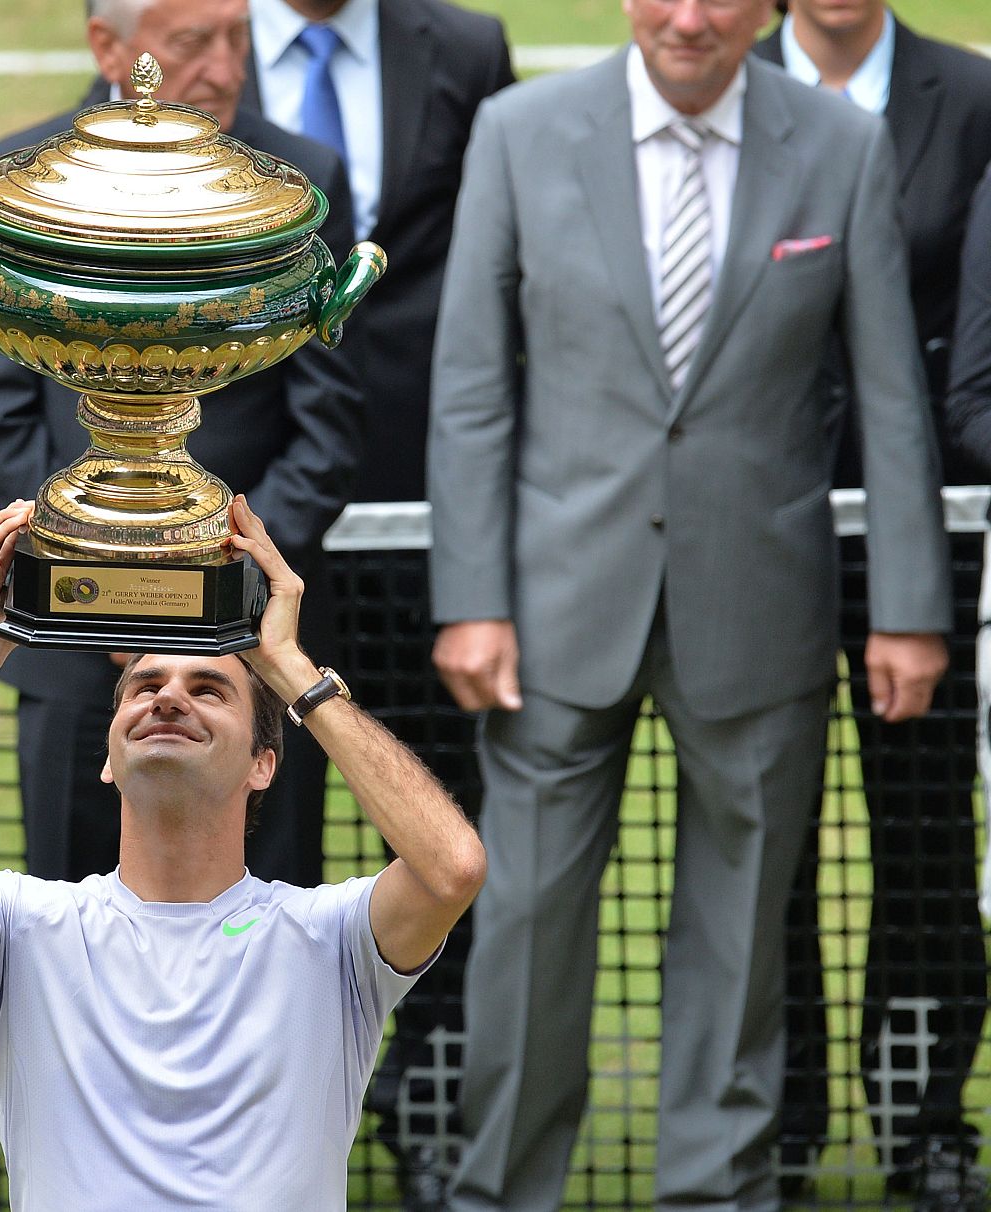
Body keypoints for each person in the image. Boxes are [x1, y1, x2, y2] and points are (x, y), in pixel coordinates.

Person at [425, 0, 953, 1205]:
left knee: (741, 934)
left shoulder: (838, 146)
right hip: (552, 613)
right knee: (524, 925)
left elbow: (889, 400)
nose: (690, 17)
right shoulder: (518, 130)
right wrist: (471, 597)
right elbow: (468, 391)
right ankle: (498, 1188)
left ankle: (716, 1189)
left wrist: (912, 607)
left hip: (760, 606)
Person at [0, 495, 487, 1210]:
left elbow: (452, 869)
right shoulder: (19, 929)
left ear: (264, 763)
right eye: (143, 685)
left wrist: (287, 663)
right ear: (108, 757)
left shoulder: (330, 935)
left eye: (208, 688)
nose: (168, 697)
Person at [0, 0, 362, 890]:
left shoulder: (301, 180)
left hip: (252, 656)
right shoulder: (17, 178)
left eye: (236, 39)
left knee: (271, 940)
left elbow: (328, 426)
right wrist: (101, 571)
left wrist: (221, 587)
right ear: (109, 45)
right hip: (76, 659)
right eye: (192, 43)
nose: (223, 68)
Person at [242, 1, 513, 1200]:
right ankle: (266, 1092)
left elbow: (480, 261)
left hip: (415, 504)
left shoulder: (462, 48)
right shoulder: (189, 43)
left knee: (431, 799)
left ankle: (426, 1097)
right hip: (247, 524)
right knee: (260, 823)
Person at [753, 3, 991, 1204]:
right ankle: (783, 1120)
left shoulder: (973, 92)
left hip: (922, 537)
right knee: (765, 837)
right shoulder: (719, 84)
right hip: (758, 535)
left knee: (925, 839)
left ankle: (921, 1119)